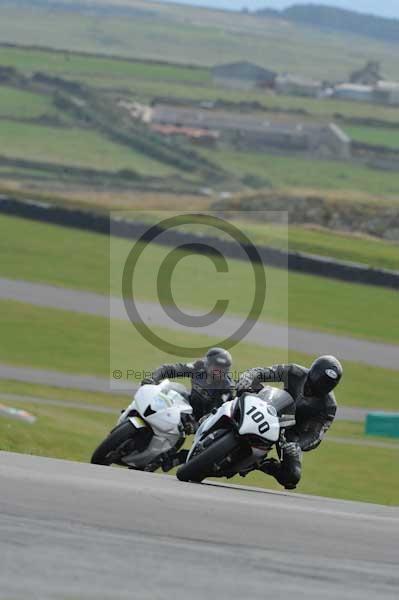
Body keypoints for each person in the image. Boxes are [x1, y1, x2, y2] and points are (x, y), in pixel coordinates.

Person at [236, 356, 343, 490]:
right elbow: (265, 372)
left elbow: (316, 435)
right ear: (311, 372)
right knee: (241, 387)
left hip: (290, 432)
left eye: (322, 387)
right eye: (312, 383)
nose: (311, 390)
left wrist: (298, 445)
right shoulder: (295, 371)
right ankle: (215, 415)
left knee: (292, 477)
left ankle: (261, 464)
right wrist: (249, 376)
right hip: (272, 407)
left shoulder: (329, 406)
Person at [142, 347, 235, 471]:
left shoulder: (227, 389)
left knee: (196, 446)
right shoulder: (198, 367)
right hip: (188, 406)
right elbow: (170, 369)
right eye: (216, 367)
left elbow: (221, 414)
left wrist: (197, 425)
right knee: (173, 394)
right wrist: (153, 379)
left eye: (223, 369)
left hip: (208, 422)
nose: (218, 372)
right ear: (208, 364)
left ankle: (168, 459)